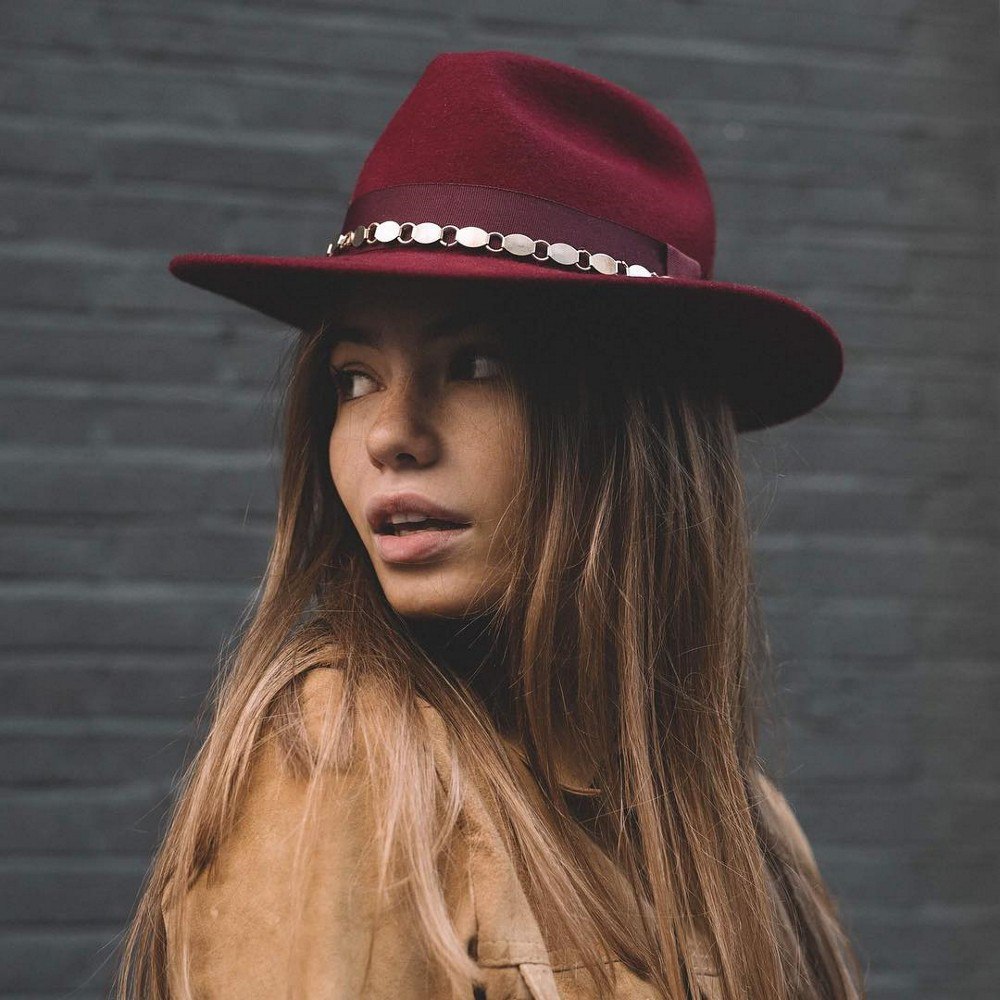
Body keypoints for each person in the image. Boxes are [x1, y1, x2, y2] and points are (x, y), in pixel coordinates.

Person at [112, 51, 866, 999]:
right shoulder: (348, 763)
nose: (389, 434)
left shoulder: (752, 834)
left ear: (628, 430)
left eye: (474, 365)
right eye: (355, 378)